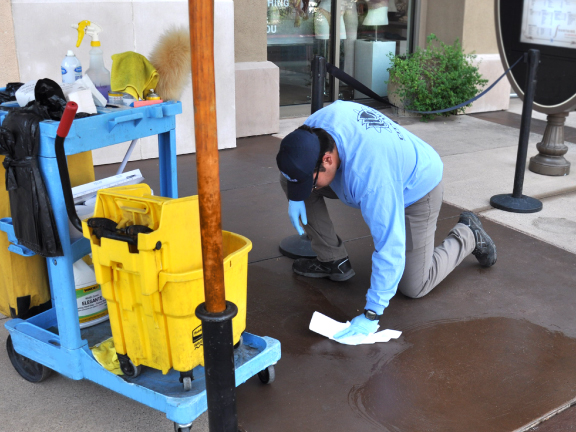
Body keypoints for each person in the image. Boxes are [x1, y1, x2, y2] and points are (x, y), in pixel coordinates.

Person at [276, 101, 496, 344]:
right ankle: (333, 261)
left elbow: (390, 244)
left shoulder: (370, 177)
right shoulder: (310, 132)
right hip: (385, 164)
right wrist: (298, 195)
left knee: (414, 286)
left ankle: (468, 234)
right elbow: (300, 171)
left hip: (418, 188)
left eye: (313, 183)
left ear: (327, 159)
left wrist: (372, 313)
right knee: (293, 180)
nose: (311, 189)